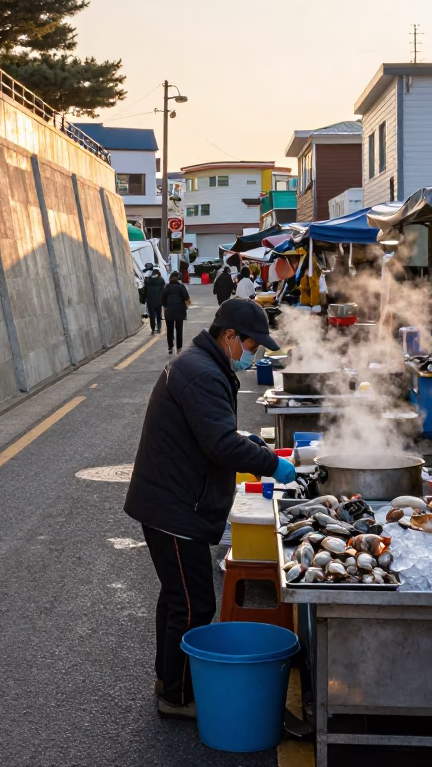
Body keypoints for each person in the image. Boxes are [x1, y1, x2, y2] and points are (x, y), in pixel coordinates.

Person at [124, 298, 298, 718]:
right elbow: (218, 444)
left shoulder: (201, 364)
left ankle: (169, 678)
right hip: (176, 507)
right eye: (252, 346)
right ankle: (178, 697)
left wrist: (252, 444)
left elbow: (212, 429)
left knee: (175, 597)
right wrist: (272, 463)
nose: (252, 355)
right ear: (230, 337)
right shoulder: (202, 373)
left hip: (170, 500)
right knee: (193, 603)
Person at [162, 271, 190, 353]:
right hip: (180, 311)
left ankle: (170, 347)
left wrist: (166, 306)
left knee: (170, 330)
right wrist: (186, 307)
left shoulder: (167, 287)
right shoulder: (181, 287)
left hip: (169, 312)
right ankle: (179, 348)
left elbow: (162, 299)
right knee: (179, 330)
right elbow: (187, 298)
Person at [144, 266, 165, 335]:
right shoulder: (161, 281)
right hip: (158, 301)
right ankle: (159, 328)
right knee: (159, 315)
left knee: (152, 316)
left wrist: (144, 299)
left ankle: (153, 329)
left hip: (150, 301)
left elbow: (145, 291)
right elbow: (163, 291)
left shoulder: (147, 281)